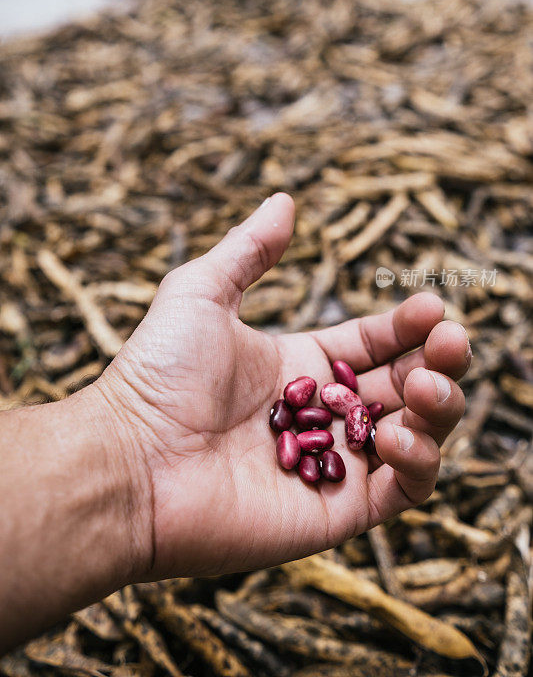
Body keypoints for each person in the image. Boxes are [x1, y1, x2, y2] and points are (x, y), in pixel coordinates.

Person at [0, 194, 470, 652]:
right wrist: (134, 441)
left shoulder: (320, 418)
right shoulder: (300, 419)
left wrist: (131, 457)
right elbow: (320, 420)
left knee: (420, 395)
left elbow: (331, 418)